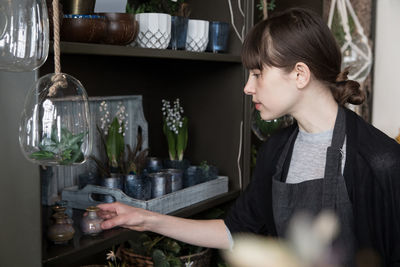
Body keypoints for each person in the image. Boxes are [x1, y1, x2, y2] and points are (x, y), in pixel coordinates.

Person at [97, 8, 400, 266]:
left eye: (257, 74)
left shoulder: (379, 160)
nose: (247, 88)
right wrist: (146, 219)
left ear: (300, 75)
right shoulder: (277, 151)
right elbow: (235, 231)